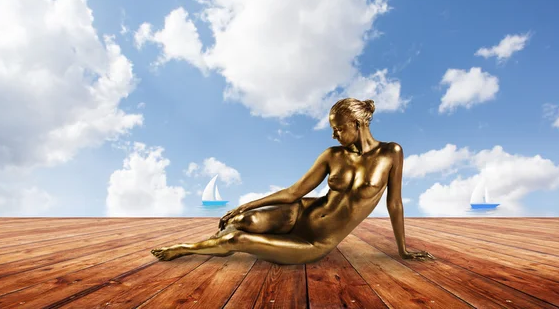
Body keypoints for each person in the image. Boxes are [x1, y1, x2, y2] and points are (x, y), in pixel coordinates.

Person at [151, 98, 434, 264]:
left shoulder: (391, 152)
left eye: (338, 129)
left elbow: (394, 204)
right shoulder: (332, 155)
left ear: (357, 124)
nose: (334, 135)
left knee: (238, 238)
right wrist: (245, 206)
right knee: (243, 222)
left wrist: (403, 249)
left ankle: (184, 248)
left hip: (316, 241)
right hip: (300, 212)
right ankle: (219, 246)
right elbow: (294, 192)